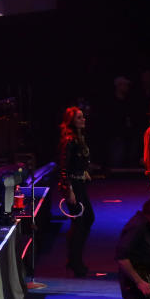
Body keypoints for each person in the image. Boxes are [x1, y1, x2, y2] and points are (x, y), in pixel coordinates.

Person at [59, 106, 95, 277]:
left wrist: (84, 171)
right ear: (72, 121)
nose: (83, 119)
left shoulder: (79, 138)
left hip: (80, 183)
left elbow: (78, 160)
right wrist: (69, 190)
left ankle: (74, 258)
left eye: (83, 117)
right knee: (80, 222)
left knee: (87, 219)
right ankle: (74, 261)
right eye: (79, 117)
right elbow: (64, 167)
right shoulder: (69, 140)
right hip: (72, 185)